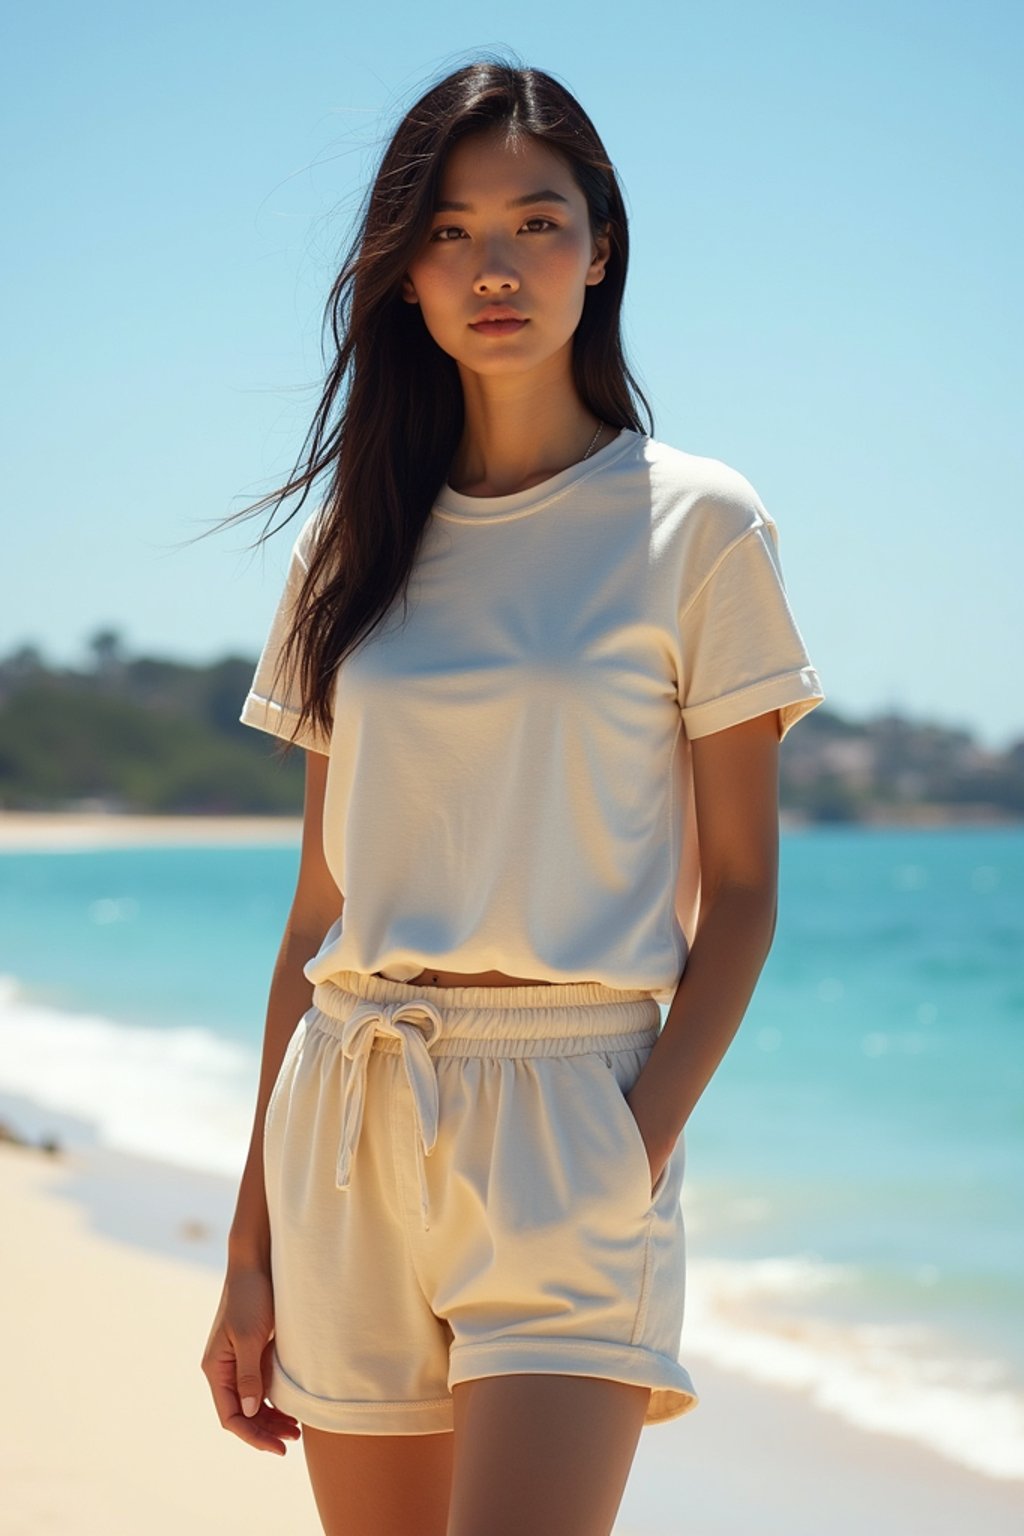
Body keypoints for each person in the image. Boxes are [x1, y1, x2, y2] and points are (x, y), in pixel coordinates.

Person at [201, 56, 825, 1536]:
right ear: (404, 273)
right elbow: (318, 913)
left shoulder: (699, 525)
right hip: (347, 1117)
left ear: (600, 250)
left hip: (572, 1113)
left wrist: (640, 1136)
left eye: (536, 223)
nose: (495, 267)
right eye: (450, 231)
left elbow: (739, 891)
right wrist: (250, 1242)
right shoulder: (349, 551)